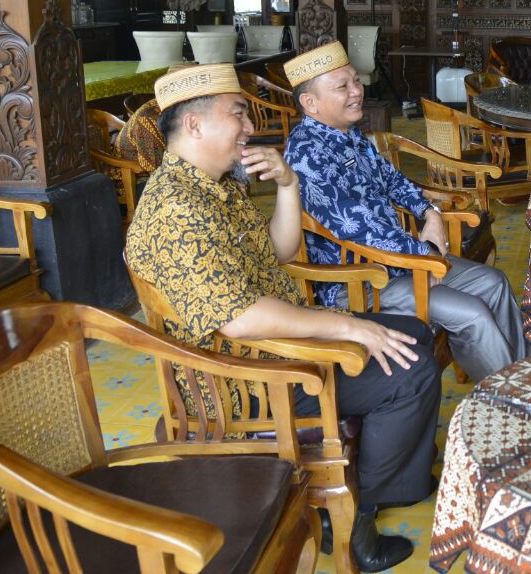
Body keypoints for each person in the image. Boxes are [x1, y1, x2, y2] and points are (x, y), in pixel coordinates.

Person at [126, 63, 439, 572]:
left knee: (414, 332)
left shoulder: (214, 187)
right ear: (195, 126)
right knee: (412, 367)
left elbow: (280, 248)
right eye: (238, 115)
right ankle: (359, 515)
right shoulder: (177, 210)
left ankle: (396, 474)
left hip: (270, 344)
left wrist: (289, 184)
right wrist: (349, 326)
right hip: (245, 378)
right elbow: (241, 319)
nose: (250, 127)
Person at [282, 41, 531, 382]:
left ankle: (527, 380)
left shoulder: (347, 134)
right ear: (309, 103)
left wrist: (429, 212)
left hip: (400, 262)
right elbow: (359, 228)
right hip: (360, 280)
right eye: (343, 87)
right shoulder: (307, 154)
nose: (357, 91)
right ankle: (510, 403)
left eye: (355, 80)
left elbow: (394, 181)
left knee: (494, 282)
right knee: (472, 313)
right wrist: (423, 255)